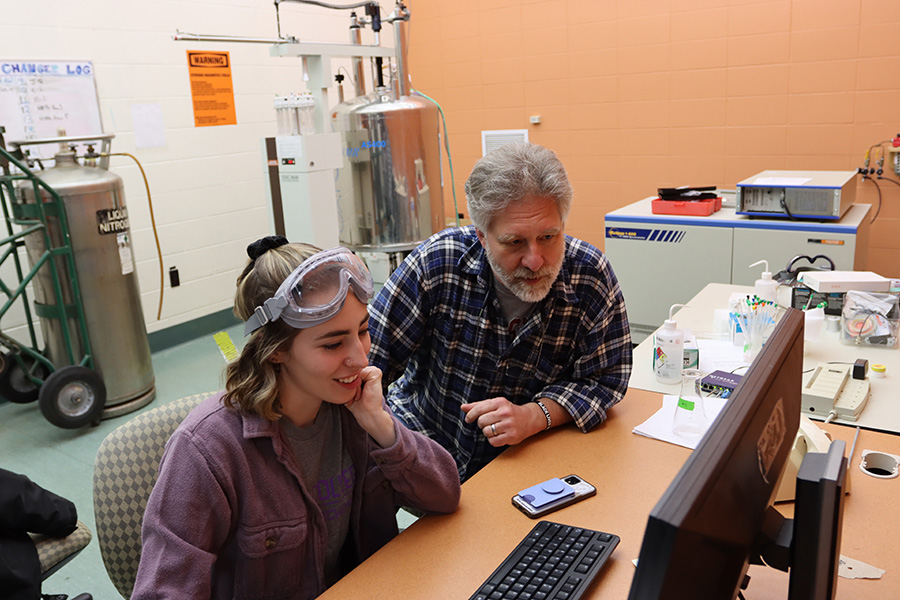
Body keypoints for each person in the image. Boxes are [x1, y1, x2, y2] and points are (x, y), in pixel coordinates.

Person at [132, 237, 460, 600]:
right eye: (333, 344)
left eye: (362, 331)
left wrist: (383, 427)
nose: (360, 358)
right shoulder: (206, 450)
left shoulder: (354, 412)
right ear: (276, 352)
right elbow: (163, 592)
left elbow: (444, 496)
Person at [368, 143, 632, 481]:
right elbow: (370, 363)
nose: (535, 260)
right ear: (481, 236)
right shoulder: (438, 264)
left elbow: (606, 380)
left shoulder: (590, 277)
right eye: (514, 242)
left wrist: (535, 415)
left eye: (549, 236)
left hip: (524, 464)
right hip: (426, 447)